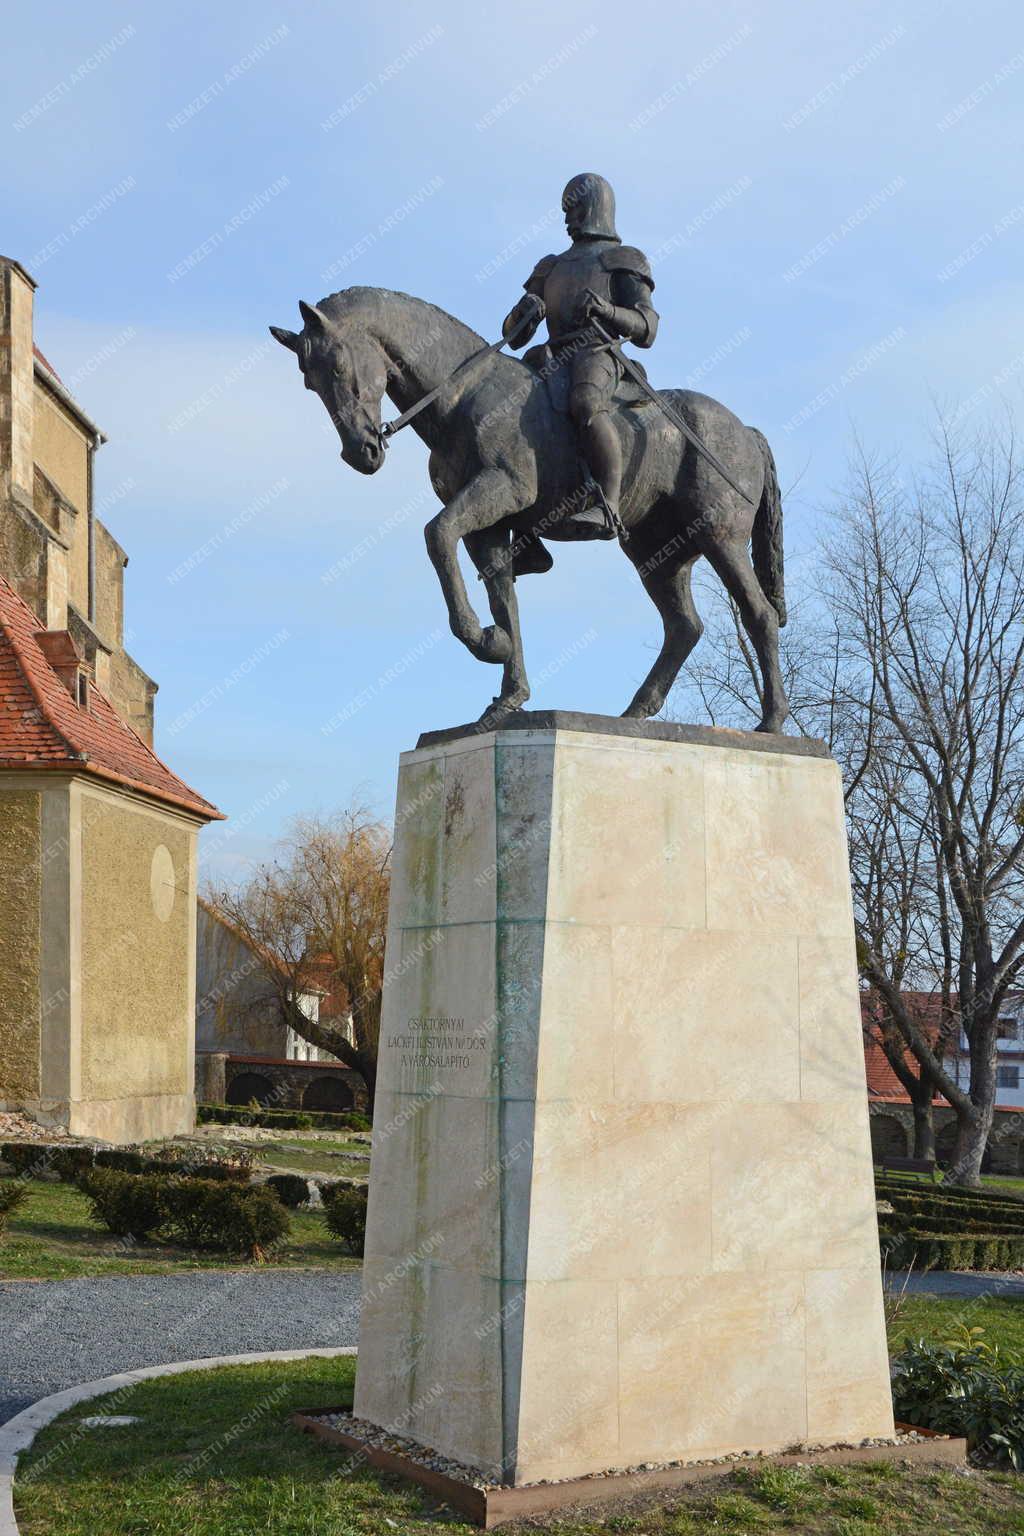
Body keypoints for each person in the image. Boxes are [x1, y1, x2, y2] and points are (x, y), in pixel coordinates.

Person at [502, 173, 659, 537]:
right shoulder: (550, 266)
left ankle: (609, 505)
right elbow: (513, 337)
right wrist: (526, 311)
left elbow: (647, 328)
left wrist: (608, 311)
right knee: (509, 410)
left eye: (574, 209)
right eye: (565, 211)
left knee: (586, 402)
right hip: (550, 357)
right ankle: (523, 530)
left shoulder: (623, 259)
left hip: (597, 352)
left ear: (594, 209)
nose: (567, 219)